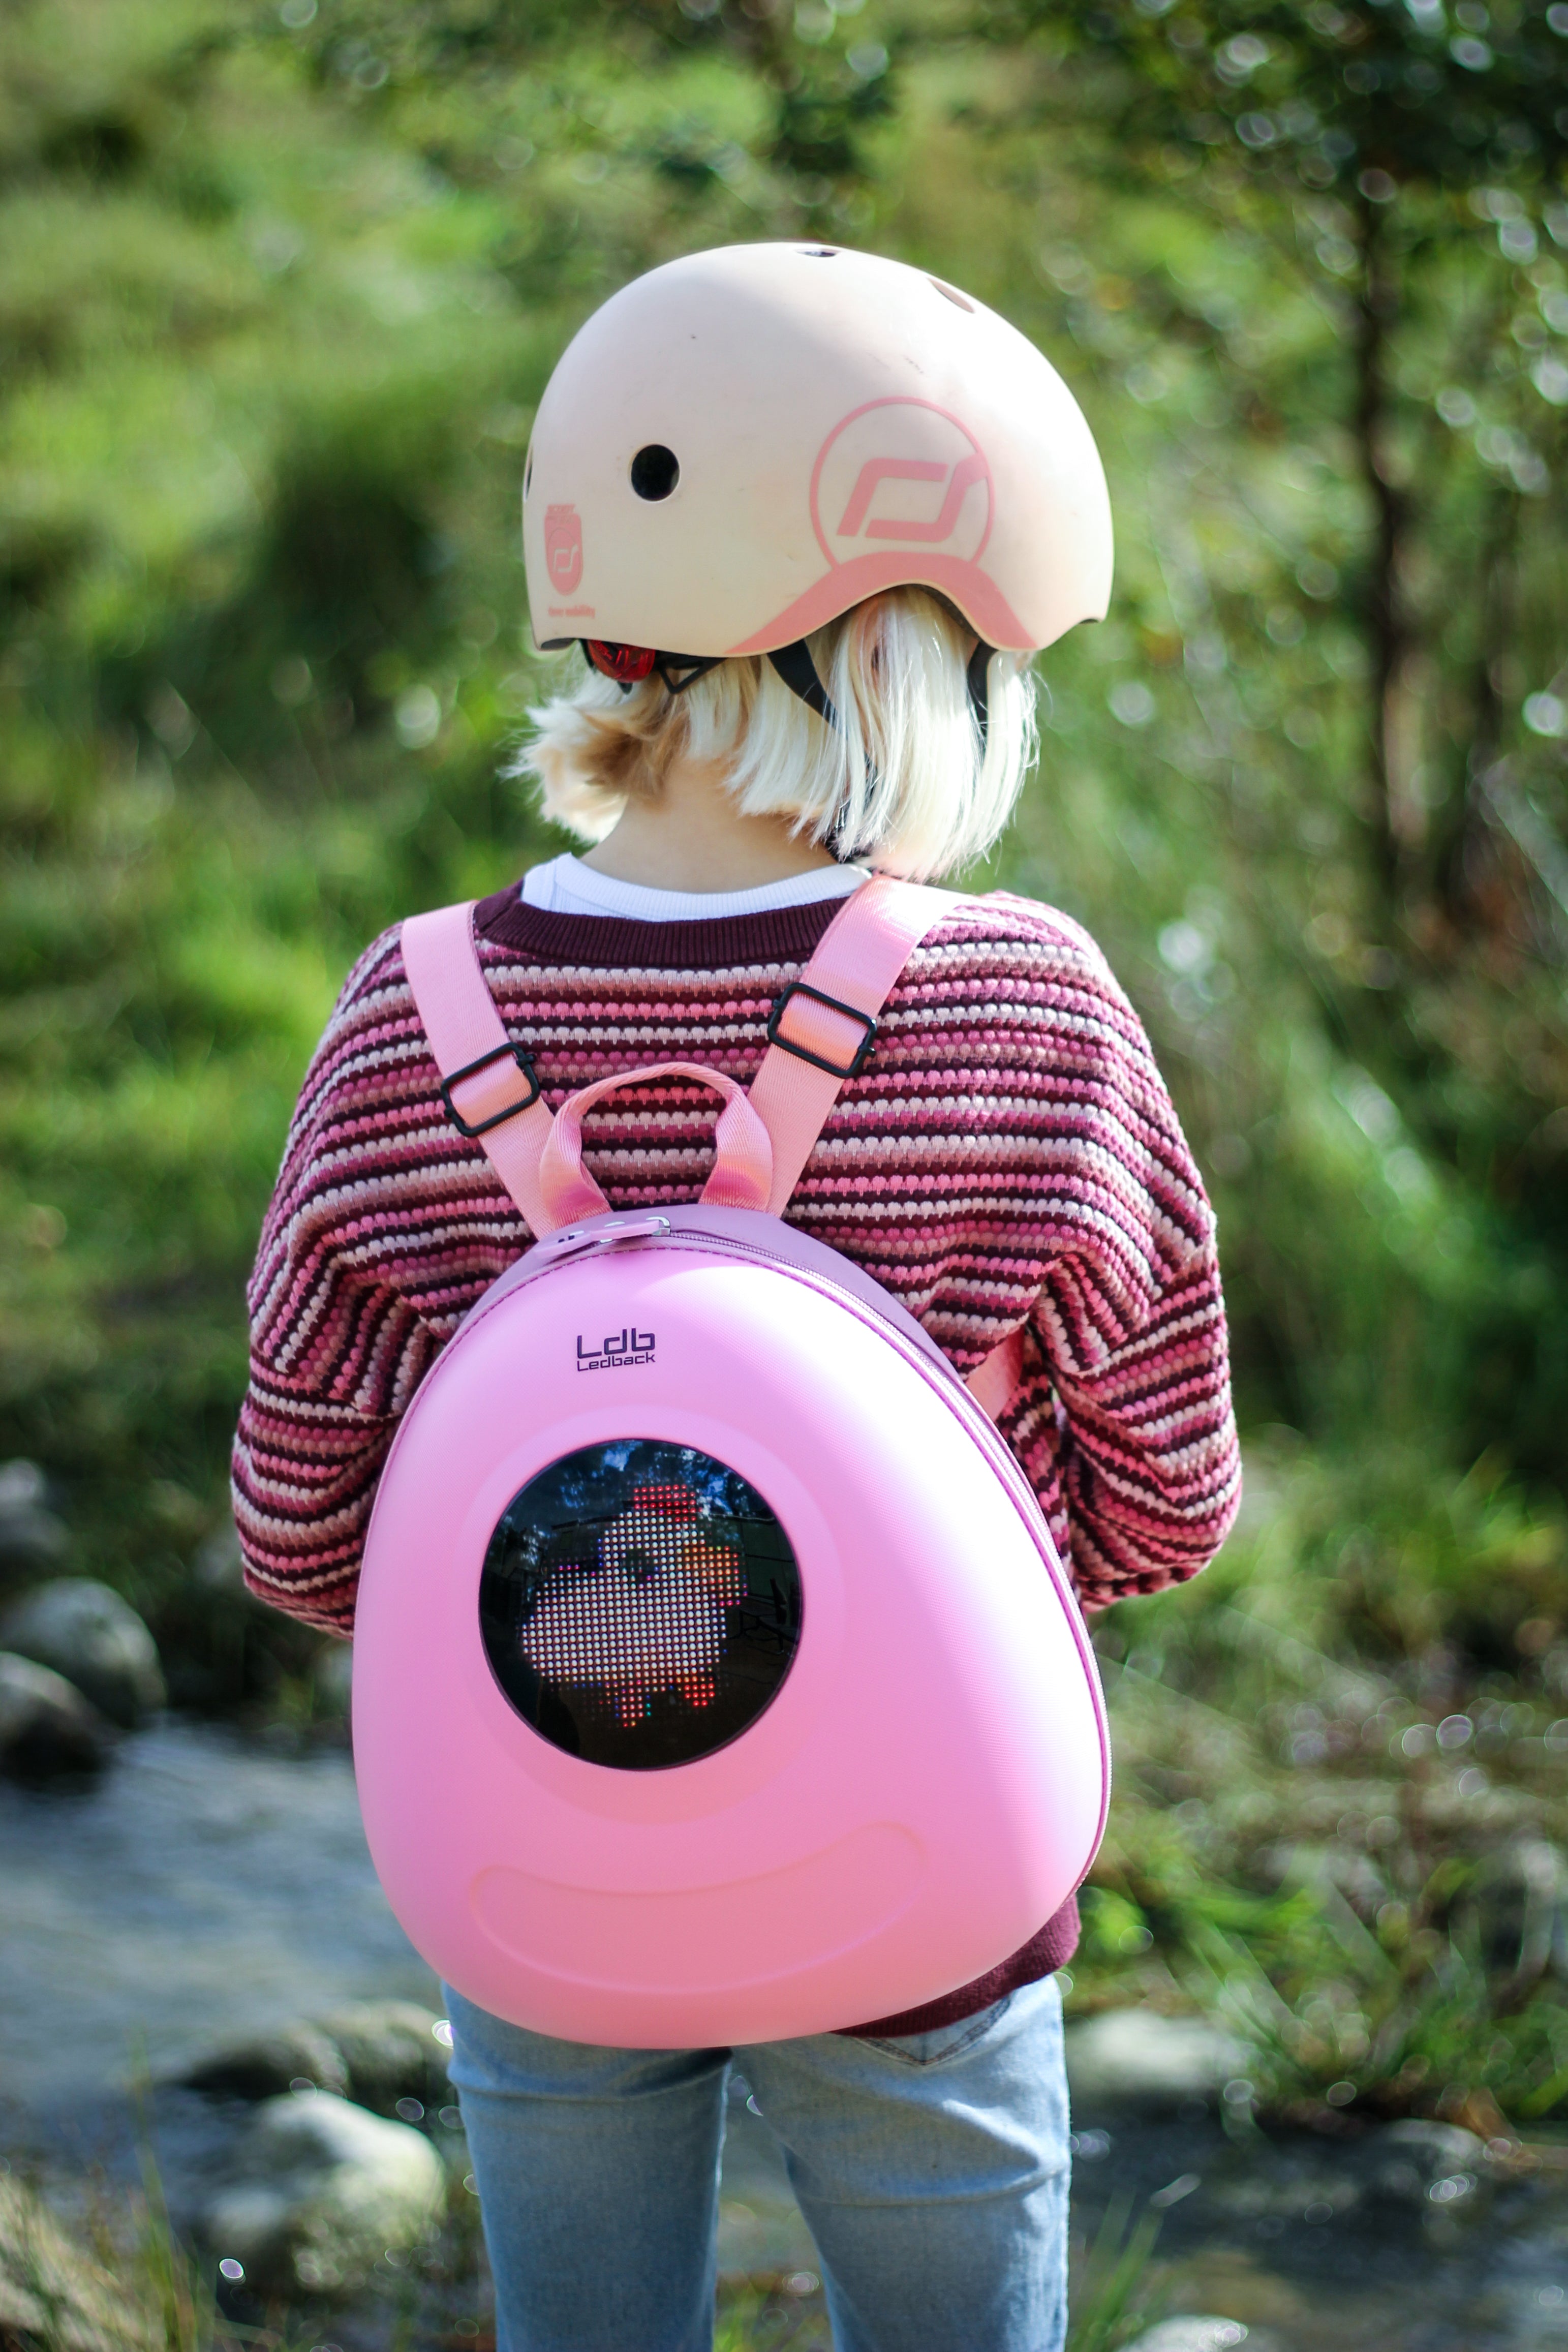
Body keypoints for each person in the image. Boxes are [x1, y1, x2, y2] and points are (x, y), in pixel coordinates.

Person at [234, 243, 1240, 2352]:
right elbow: (1167, 1504)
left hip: (544, 1864)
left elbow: (302, 1531)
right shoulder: (1023, 1004)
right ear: (901, 642)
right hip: (924, 1871)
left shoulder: (406, 1015)